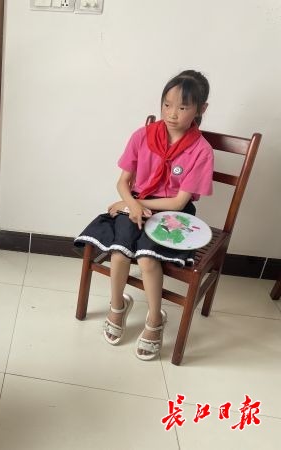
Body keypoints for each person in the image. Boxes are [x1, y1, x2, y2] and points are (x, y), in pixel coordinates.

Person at [74, 70, 213, 361]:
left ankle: (155, 319)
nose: (172, 113)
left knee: (148, 260)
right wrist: (131, 205)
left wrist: (134, 204)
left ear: (202, 109)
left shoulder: (201, 151)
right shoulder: (143, 136)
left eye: (183, 107)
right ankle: (117, 306)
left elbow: (179, 202)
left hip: (172, 214)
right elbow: (122, 182)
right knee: (119, 253)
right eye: (167, 104)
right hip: (138, 203)